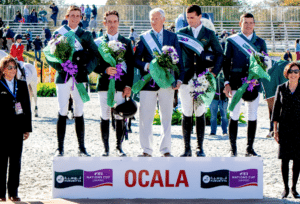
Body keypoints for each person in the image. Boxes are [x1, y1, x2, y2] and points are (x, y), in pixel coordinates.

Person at [46, 5, 103, 157]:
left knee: (79, 111)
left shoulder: (85, 35)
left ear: (81, 17)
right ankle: (60, 148)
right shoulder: (58, 33)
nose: (75, 18)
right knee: (62, 110)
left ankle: (82, 148)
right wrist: (62, 66)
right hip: (63, 76)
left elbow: (95, 55)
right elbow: (49, 56)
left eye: (78, 15)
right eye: (72, 15)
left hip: (80, 77)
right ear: (67, 17)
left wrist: (86, 70)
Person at [134, 8, 184, 157]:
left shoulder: (172, 37)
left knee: (166, 117)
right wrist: (146, 65)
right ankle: (146, 150)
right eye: (151, 19)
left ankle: (166, 150)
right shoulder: (144, 38)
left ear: (163, 19)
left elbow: (179, 59)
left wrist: (180, 78)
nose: (153, 21)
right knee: (145, 118)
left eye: (156, 18)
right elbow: (136, 59)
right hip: (148, 83)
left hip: (167, 82)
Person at [177, 5, 223, 157]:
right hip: (186, 79)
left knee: (200, 112)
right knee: (186, 112)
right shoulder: (181, 33)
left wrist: (214, 73)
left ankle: (200, 147)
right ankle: (186, 148)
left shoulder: (209, 34)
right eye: (187, 17)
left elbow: (219, 54)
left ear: (199, 16)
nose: (189, 20)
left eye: (192, 17)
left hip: (203, 79)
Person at [223, 13, 267, 157]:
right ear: (240, 23)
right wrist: (227, 82)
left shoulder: (260, 42)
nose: (248, 25)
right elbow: (226, 62)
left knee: (252, 114)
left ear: (254, 24)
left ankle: (249, 148)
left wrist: (258, 77)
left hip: (253, 83)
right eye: (245, 22)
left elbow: (265, 63)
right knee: (234, 114)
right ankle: (232, 148)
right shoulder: (231, 41)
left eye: (250, 22)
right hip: (235, 83)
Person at [93, 10, 134, 157]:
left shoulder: (126, 42)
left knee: (119, 115)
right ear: (104, 23)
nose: (112, 24)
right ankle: (106, 148)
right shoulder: (98, 42)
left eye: (114, 21)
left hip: (121, 85)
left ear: (118, 22)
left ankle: (118, 146)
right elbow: (93, 64)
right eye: (109, 21)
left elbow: (130, 66)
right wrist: (104, 70)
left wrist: (129, 85)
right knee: (104, 114)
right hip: (104, 84)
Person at [0, 56, 32, 202]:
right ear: (3, 69)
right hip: (1, 130)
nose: (13, 70)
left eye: (14, 67)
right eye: (9, 67)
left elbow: (27, 109)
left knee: (15, 162)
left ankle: (13, 192)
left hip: (17, 129)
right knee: (1, 162)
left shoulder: (22, 85)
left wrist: (27, 129)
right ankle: (1, 193)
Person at [272, 62, 300, 199]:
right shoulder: (281, 88)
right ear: (287, 74)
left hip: (299, 129)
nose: (293, 74)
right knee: (284, 159)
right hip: (284, 128)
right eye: (291, 71)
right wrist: (275, 130)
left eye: (296, 71)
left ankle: (294, 188)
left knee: (297, 160)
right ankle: (286, 188)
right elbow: (276, 110)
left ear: (299, 74)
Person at [209, 72, 228, 136]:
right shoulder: (211, 72)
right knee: (213, 116)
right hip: (213, 98)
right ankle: (213, 131)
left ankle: (225, 131)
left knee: (224, 116)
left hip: (223, 98)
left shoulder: (225, 72)